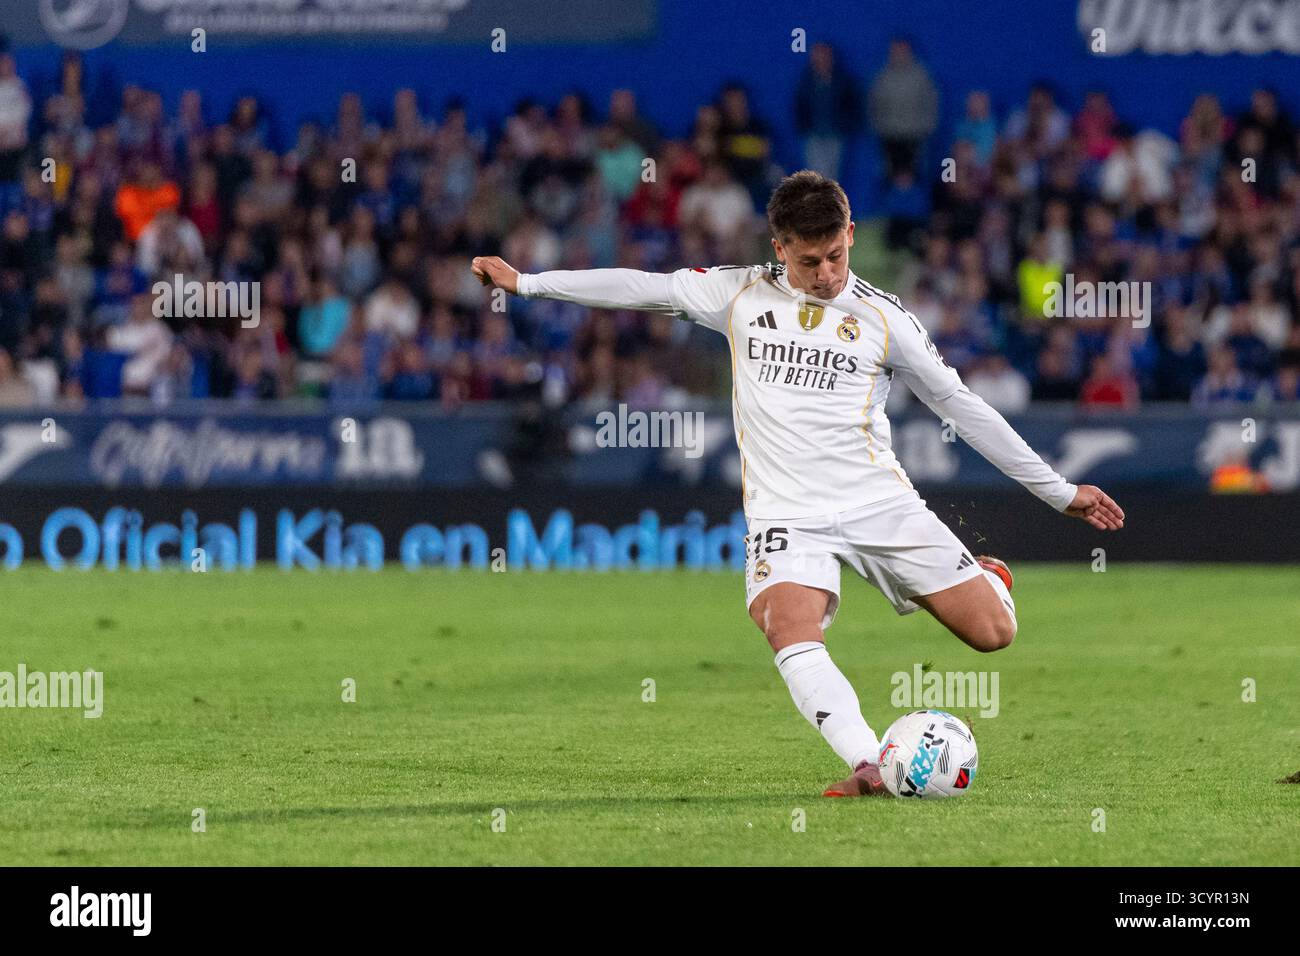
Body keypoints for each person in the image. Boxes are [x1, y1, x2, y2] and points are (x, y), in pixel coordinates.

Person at [471, 170, 1125, 797]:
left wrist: (1059, 492)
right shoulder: (738, 293)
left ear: (851, 235)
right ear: (778, 246)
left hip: (879, 502)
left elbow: (961, 406)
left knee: (992, 634)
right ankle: (869, 761)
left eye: (837, 256)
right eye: (809, 260)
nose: (826, 274)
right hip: (788, 515)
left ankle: (992, 579)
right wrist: (526, 283)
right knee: (786, 625)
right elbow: (642, 287)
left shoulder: (883, 318)